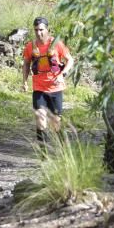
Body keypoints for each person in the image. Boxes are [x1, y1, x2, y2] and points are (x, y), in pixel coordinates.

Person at [22, 16, 74, 147]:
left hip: (55, 88)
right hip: (39, 88)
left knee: (55, 122)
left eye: (41, 30)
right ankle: (43, 156)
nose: (39, 33)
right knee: (40, 118)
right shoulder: (30, 46)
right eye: (36, 30)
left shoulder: (56, 44)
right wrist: (24, 81)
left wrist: (63, 74)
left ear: (47, 29)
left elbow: (70, 60)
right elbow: (26, 63)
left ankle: (64, 149)